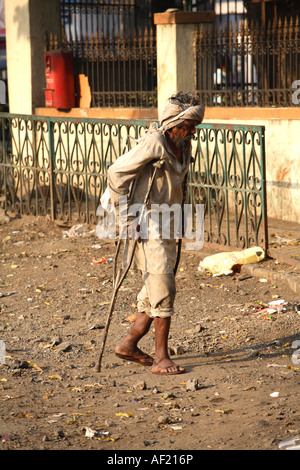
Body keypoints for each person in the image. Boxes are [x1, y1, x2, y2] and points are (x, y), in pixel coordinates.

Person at [107, 91, 205, 375]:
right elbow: (116, 173)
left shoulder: (182, 145)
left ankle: (128, 344)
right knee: (164, 288)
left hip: (169, 222)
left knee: (155, 287)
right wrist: (126, 219)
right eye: (187, 125)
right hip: (147, 223)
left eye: (193, 126)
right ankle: (162, 357)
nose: (192, 131)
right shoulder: (154, 142)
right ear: (172, 122)